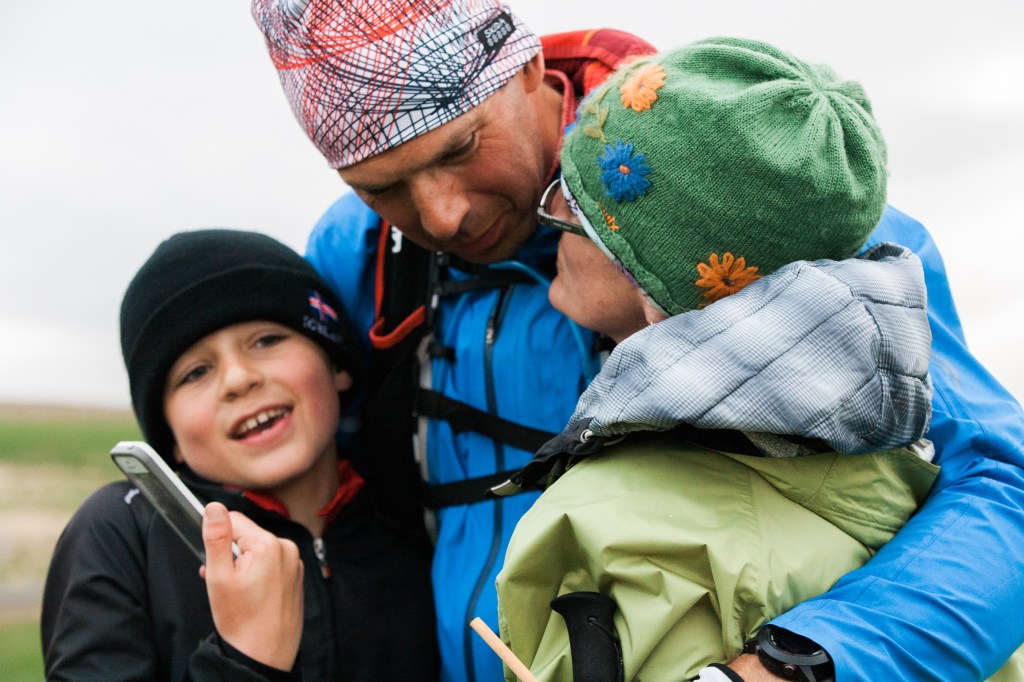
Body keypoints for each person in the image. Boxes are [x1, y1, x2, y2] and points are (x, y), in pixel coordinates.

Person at [250, 1, 1024, 680]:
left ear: (528, 71)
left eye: (459, 149)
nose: (443, 214)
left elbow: (1003, 487)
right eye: (383, 187)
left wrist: (805, 662)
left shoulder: (753, 194)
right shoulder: (361, 256)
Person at [492, 37, 1018, 681]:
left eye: (574, 210)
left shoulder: (630, 533)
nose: (550, 220)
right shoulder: (898, 471)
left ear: (661, 299)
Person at [41, 229, 439, 681]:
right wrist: (245, 661)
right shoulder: (123, 533)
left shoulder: (412, 517)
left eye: (266, 340)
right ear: (168, 435)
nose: (237, 379)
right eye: (195, 372)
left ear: (337, 364)